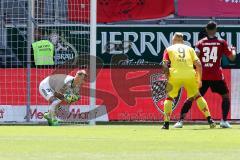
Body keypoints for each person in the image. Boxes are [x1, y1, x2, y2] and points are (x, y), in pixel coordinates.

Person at [174, 21, 236, 128]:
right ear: (216, 30)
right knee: (225, 97)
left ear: (206, 30)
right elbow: (232, 58)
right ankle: (224, 121)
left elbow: (194, 59)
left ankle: (180, 121)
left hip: (203, 76)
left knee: (192, 97)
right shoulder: (222, 42)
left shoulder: (200, 43)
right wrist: (233, 50)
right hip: (216, 75)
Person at [161, 32, 215, 130]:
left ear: (174, 40)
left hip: (175, 74)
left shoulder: (168, 49)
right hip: (190, 74)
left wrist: (167, 76)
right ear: (182, 40)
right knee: (198, 96)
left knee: (169, 97)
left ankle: (166, 124)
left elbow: (164, 65)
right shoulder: (190, 49)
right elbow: (198, 64)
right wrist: (199, 79)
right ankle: (210, 120)